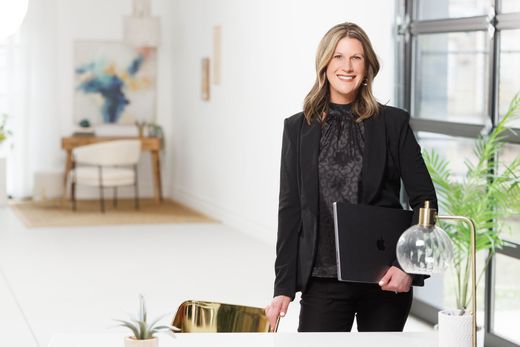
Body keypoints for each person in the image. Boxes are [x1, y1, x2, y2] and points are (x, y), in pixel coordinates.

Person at [264, 22, 437, 332]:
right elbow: (290, 212)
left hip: (385, 278)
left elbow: (425, 200)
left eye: (356, 58)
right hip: (322, 279)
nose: (347, 66)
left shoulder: (392, 123)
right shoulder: (297, 129)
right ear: (325, 64)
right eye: (338, 57)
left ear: (367, 66)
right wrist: (283, 286)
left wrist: (406, 267)